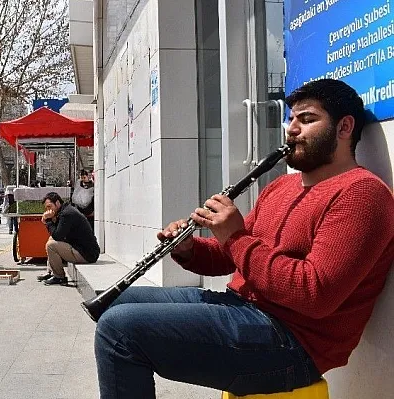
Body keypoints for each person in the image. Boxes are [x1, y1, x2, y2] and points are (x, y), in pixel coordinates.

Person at [93, 79, 394, 398]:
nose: (292, 129)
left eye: (306, 120)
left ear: (344, 127)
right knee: (116, 303)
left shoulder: (362, 194)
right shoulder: (283, 187)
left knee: (120, 330)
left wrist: (234, 236)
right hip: (246, 309)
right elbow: (232, 258)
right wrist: (189, 248)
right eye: (290, 119)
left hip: (293, 344)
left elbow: (315, 294)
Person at [38, 192, 100, 285]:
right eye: (46, 208)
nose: (48, 210)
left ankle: (59, 277)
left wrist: (48, 221)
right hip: (81, 248)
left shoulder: (67, 214)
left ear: (57, 203)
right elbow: (58, 233)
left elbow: (58, 236)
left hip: (87, 254)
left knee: (51, 245)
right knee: (51, 239)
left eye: (49, 206)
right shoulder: (64, 211)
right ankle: (50, 272)